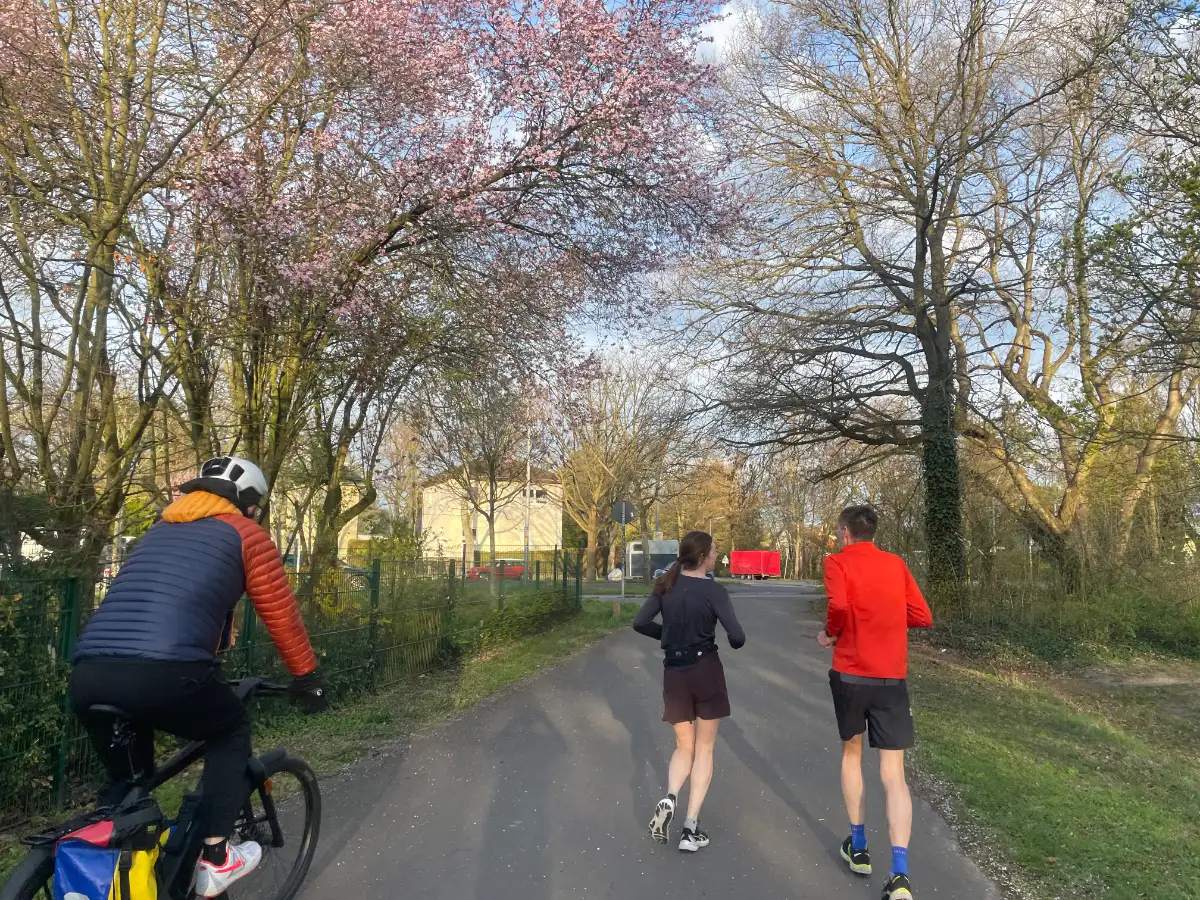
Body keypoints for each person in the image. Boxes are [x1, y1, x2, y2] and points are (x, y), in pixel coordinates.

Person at [69, 456, 329, 898]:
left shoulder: (157, 533)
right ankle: (216, 854)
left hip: (90, 673)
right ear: (248, 504)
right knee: (229, 729)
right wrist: (307, 676)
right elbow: (281, 616)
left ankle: (104, 874)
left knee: (129, 791)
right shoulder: (247, 534)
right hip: (167, 673)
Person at [817, 505, 932, 900]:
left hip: (850, 673)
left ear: (846, 533)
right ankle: (900, 874)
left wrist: (831, 634)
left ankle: (860, 847)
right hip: (890, 678)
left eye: (837, 531)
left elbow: (839, 607)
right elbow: (921, 615)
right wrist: (887, 620)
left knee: (852, 756)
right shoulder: (896, 565)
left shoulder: (836, 562)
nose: (836, 537)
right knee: (893, 774)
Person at [632, 531, 745, 853]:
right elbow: (737, 637)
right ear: (706, 556)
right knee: (705, 749)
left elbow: (640, 623)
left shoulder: (665, 585)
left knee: (684, 746)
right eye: (715, 551)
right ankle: (690, 829)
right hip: (705, 671)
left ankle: (670, 797)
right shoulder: (714, 590)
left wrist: (668, 636)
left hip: (674, 673)